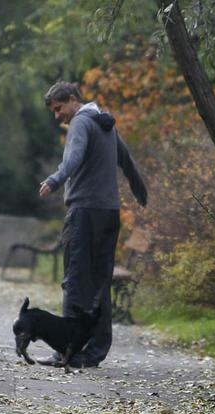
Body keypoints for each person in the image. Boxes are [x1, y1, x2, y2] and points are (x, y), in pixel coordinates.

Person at [37, 81, 147, 368]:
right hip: (109, 213)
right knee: (100, 283)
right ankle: (94, 352)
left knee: (75, 280)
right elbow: (127, 160)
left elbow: (73, 157)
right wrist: (140, 191)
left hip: (84, 213)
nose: (57, 116)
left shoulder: (81, 124)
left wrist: (54, 180)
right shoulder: (105, 123)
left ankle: (68, 351)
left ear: (73, 100)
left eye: (59, 109)